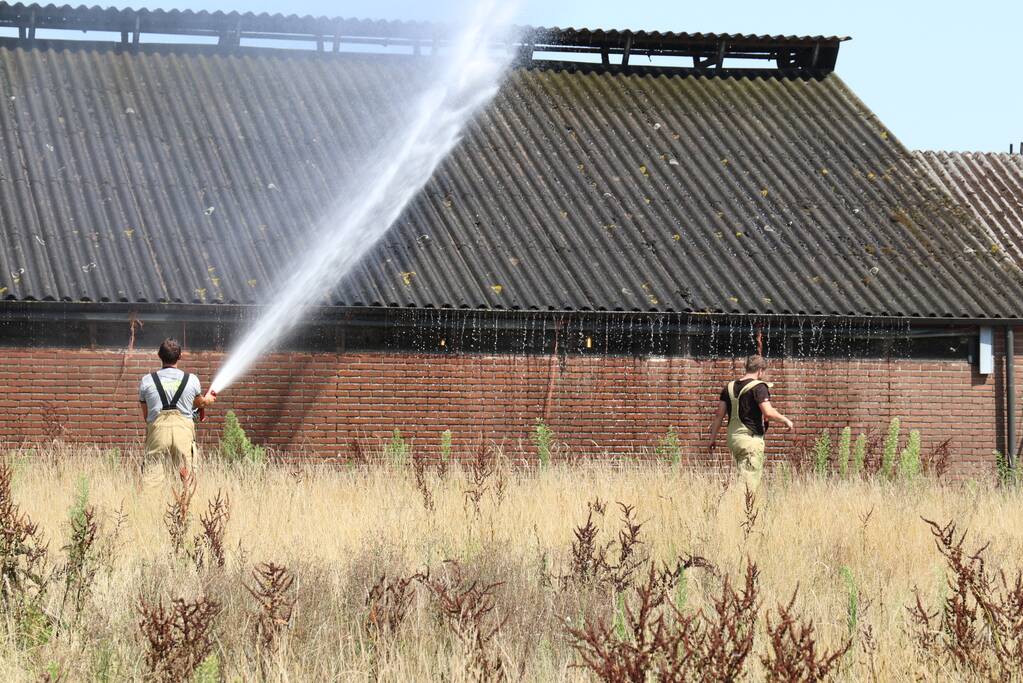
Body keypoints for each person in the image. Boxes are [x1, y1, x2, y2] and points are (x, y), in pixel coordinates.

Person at [707, 354, 793, 491]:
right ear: (760, 370)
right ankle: (742, 508)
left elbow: (719, 415)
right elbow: (768, 412)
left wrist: (712, 438)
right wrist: (786, 420)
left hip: (733, 439)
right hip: (750, 440)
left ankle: (736, 504)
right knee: (749, 483)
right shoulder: (759, 387)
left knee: (742, 474)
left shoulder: (728, 387)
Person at [138, 338, 215, 485]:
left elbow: (146, 415)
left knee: (151, 480)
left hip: (157, 433)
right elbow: (200, 403)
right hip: (183, 433)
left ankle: (148, 506)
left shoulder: (147, 380)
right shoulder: (192, 380)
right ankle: (186, 507)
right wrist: (208, 400)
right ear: (180, 356)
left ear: (159, 356)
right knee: (186, 480)